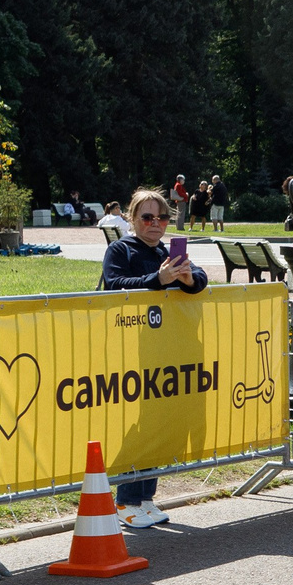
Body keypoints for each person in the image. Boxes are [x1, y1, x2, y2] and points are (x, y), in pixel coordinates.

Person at [97, 188, 205, 528]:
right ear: (132, 219)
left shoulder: (166, 250)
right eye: (147, 217)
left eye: (161, 217)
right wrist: (156, 280)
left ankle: (145, 496)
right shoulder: (121, 249)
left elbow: (200, 279)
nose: (155, 223)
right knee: (140, 424)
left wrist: (188, 279)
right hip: (133, 348)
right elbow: (114, 284)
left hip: (166, 350)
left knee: (159, 422)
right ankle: (126, 499)